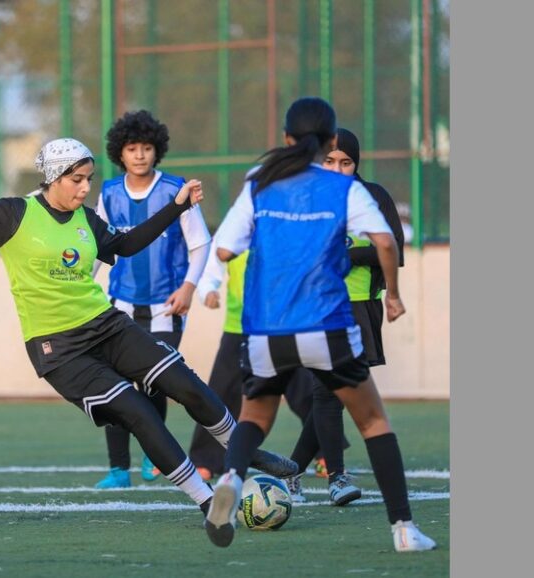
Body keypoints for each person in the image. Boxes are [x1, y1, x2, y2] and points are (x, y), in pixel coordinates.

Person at [0, 138, 297, 517]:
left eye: (89, 179)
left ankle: (247, 451)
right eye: (78, 180)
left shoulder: (86, 219)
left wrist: (177, 206)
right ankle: (207, 502)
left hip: (107, 325)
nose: (86, 188)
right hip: (60, 351)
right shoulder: (11, 214)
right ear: (53, 177)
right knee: (139, 412)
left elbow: (128, 244)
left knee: (185, 384)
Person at [202, 98, 436, 552]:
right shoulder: (344, 190)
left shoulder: (260, 182)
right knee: (372, 421)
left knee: (255, 415)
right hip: (327, 324)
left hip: (266, 327)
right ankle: (404, 529)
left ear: (288, 139)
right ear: (330, 141)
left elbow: (225, 248)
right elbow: (387, 242)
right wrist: (392, 293)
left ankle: (232, 476)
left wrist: (212, 284)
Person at [285, 127, 406, 506]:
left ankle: (291, 470)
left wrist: (348, 255)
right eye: (330, 161)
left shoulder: (374, 197)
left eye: (346, 162)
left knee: (339, 392)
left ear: (357, 164)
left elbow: (394, 251)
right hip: (322, 306)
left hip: (363, 305)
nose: (338, 169)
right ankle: (336, 477)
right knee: (328, 391)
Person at [92, 110, 212, 489]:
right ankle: (117, 469)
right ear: (120, 153)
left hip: (166, 307)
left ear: (156, 150)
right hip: (121, 305)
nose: (140, 155)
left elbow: (200, 243)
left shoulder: (175, 190)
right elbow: (97, 246)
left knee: (155, 381)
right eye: (132, 148)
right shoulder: (109, 193)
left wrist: (189, 287)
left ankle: (152, 458)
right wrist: (85, 285)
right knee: (114, 386)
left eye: (146, 148)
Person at [186, 239, 322, 481]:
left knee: (305, 390)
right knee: (220, 394)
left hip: (282, 326)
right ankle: (205, 459)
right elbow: (210, 273)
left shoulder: (283, 227)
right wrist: (208, 293)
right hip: (239, 328)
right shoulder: (233, 230)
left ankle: (326, 454)